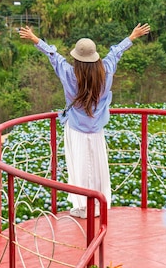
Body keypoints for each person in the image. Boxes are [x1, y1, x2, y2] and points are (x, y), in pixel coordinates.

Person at [19, 22, 150, 218]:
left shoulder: (70, 74)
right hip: (96, 129)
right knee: (98, 167)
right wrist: (132, 36)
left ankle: (81, 206)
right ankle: (99, 203)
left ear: (77, 59)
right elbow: (116, 53)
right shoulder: (105, 70)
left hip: (76, 129)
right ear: (95, 56)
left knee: (78, 167)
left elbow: (54, 56)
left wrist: (35, 39)